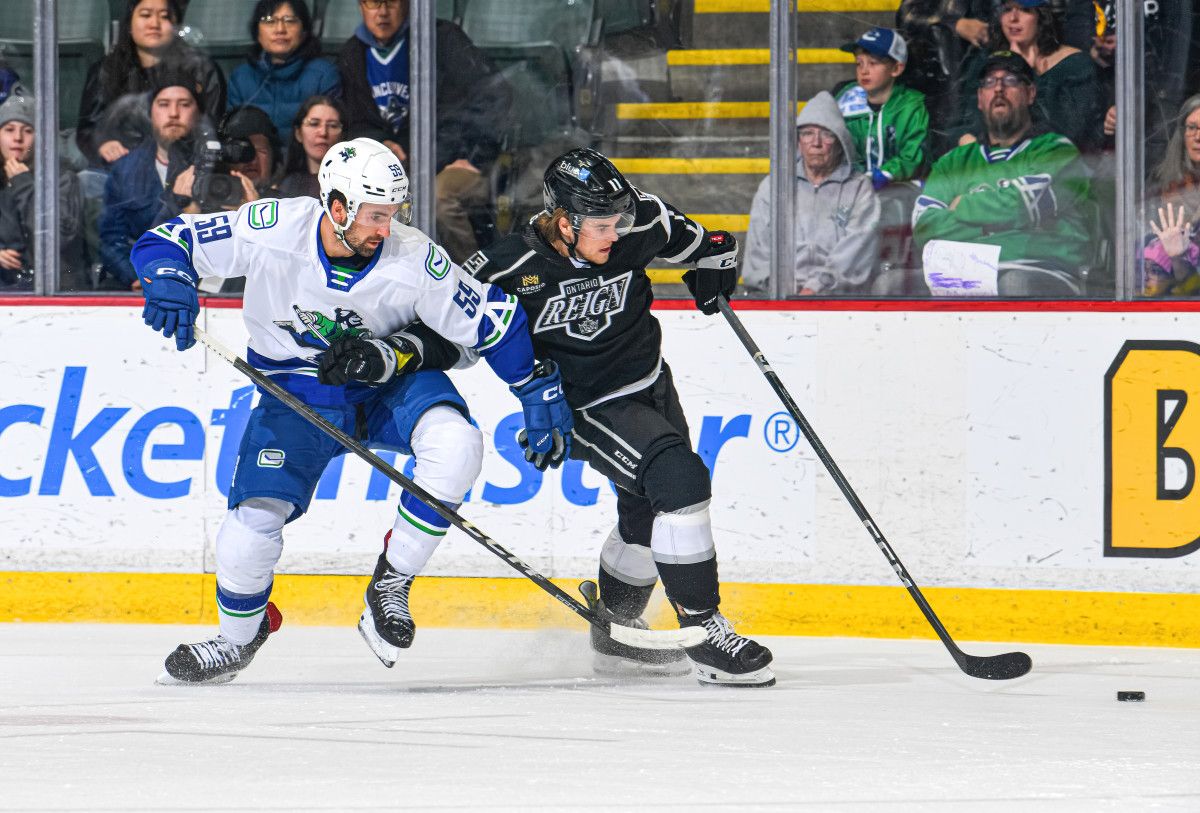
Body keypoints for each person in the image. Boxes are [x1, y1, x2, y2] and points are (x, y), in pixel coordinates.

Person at [132, 137, 572, 684]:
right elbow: (169, 240)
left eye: (393, 214)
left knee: (456, 445)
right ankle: (237, 640)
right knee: (246, 535)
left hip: (387, 385)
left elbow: (493, 320)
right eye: (374, 215)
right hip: (294, 392)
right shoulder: (273, 228)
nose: (385, 229)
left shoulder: (415, 257)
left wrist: (532, 386)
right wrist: (169, 281)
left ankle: (392, 584)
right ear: (336, 206)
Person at [466, 147, 774, 687]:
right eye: (603, 226)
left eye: (620, 221)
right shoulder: (508, 267)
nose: (616, 234)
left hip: (652, 384)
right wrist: (391, 356)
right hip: (582, 405)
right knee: (680, 481)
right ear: (565, 222)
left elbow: (706, 243)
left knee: (646, 515)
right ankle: (705, 633)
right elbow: (447, 332)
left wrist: (716, 267)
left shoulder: (638, 224)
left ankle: (616, 630)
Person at [337, 0, 512, 263]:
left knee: (439, 200)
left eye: (391, 2)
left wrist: (475, 155)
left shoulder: (442, 40)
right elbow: (355, 118)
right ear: (361, 6)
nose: (382, 12)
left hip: (459, 161)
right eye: (373, 2)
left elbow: (495, 95)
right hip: (399, 167)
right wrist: (380, 143)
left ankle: (473, 277)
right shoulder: (353, 53)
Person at [913, 51, 1096, 296]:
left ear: (1030, 93)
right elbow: (924, 226)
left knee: (1013, 284)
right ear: (979, 98)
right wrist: (994, 227)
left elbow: (1023, 205)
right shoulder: (953, 162)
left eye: (1010, 80)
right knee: (891, 285)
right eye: (989, 82)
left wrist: (962, 206)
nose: (998, 88)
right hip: (961, 270)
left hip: (1040, 268)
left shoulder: (1055, 151)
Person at [742, 92, 881, 295]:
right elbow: (759, 250)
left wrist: (816, 287)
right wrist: (781, 289)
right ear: (798, 141)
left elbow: (856, 250)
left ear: (841, 142)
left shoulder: (859, 188)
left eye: (826, 134)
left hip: (839, 303)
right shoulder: (774, 185)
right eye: (807, 133)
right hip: (778, 297)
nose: (816, 143)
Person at [75, 0, 225, 169]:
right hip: (120, 171)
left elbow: (211, 131)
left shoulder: (201, 70)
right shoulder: (106, 70)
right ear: (130, 24)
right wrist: (102, 146)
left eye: (165, 16)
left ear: (177, 25)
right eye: (146, 15)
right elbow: (88, 130)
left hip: (186, 171)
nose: (154, 24)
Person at [953, 0, 1103, 154]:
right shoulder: (984, 62)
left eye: (1024, 10)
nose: (1013, 18)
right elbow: (958, 124)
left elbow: (1071, 134)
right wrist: (966, 139)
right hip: (988, 165)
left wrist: (1021, 69)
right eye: (1007, 9)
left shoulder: (1075, 65)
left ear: (1042, 16)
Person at [98, 73, 201, 290]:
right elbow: (111, 239)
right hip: (142, 283)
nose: (173, 113)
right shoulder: (125, 170)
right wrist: (136, 275)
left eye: (184, 105)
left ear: (198, 113)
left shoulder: (215, 168)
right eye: (164, 104)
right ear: (150, 113)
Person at [0, 93, 86, 291]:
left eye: (28, 130)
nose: (17, 138)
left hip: (55, 290)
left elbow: (59, 237)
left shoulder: (63, 178)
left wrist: (24, 185)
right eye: (9, 129)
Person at [227, 0, 341, 142]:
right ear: (257, 32)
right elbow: (233, 135)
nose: (280, 29)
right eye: (270, 21)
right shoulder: (241, 77)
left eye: (290, 21)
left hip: (306, 161)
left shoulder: (323, 75)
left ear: (304, 31)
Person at [834, 27, 929, 189]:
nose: (864, 71)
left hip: (900, 190)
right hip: (853, 189)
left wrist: (884, 174)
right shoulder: (845, 99)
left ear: (896, 68)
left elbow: (912, 156)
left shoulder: (911, 105)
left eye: (873, 63)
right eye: (859, 63)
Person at [277, 95, 346, 199]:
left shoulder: (354, 185)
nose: (323, 132)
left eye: (333, 125)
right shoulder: (283, 187)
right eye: (314, 124)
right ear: (298, 133)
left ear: (342, 135)